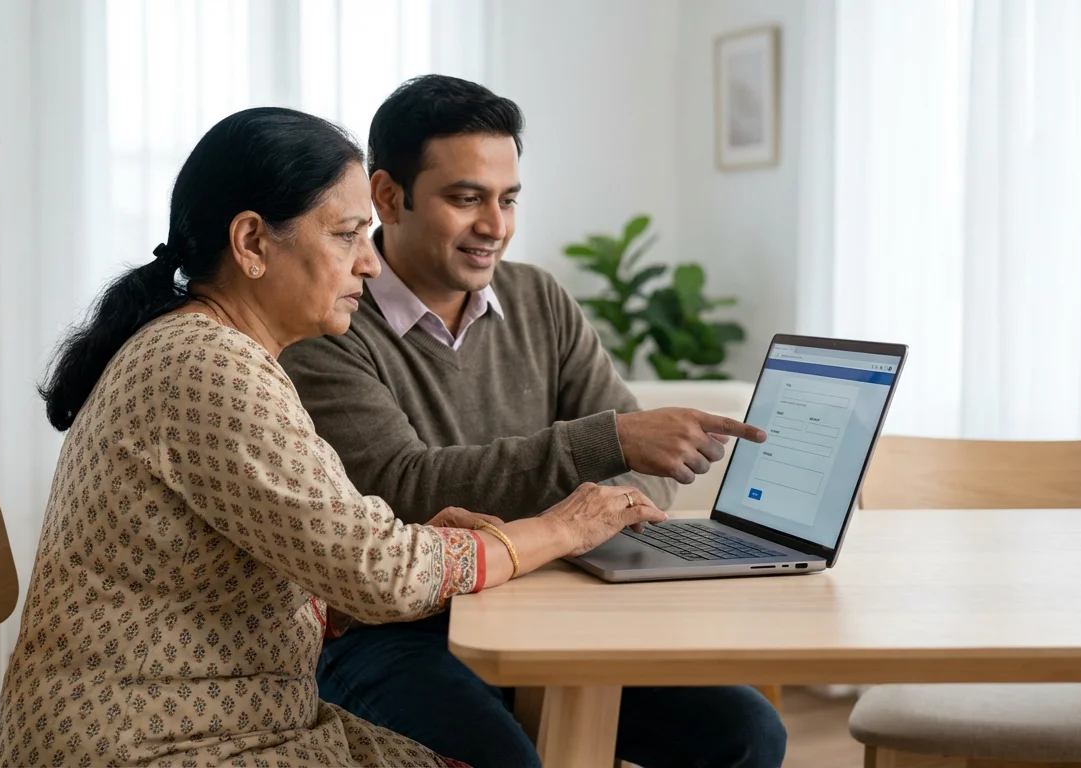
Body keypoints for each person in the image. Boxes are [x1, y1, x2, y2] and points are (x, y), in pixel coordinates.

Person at [0, 106, 667, 768]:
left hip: (209, 720)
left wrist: (434, 544)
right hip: (153, 744)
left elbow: (307, 557)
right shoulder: (208, 365)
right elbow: (382, 573)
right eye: (345, 236)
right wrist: (558, 531)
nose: (367, 265)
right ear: (252, 243)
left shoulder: (212, 349)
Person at [280, 76, 786, 768]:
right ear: (387, 197)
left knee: (750, 733)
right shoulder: (331, 320)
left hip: (547, 602)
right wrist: (599, 450)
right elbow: (399, 490)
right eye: (466, 199)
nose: (496, 226)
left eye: (508, 199)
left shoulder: (538, 298)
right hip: (395, 628)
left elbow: (646, 471)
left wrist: (594, 490)